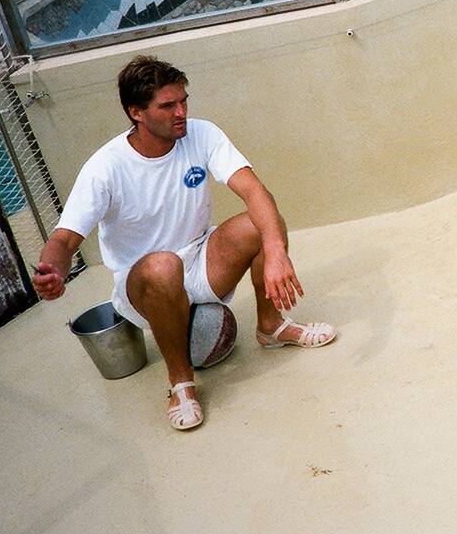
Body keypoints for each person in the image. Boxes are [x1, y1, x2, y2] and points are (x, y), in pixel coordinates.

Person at [32, 55, 336, 431]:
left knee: (261, 225)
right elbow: (64, 239)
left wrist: (275, 253)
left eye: (183, 101)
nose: (181, 112)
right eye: (167, 106)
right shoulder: (105, 167)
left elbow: (255, 191)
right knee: (163, 265)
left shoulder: (201, 133)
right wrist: (52, 271)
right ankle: (180, 383)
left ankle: (270, 326)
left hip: (199, 258)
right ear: (136, 112)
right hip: (145, 284)